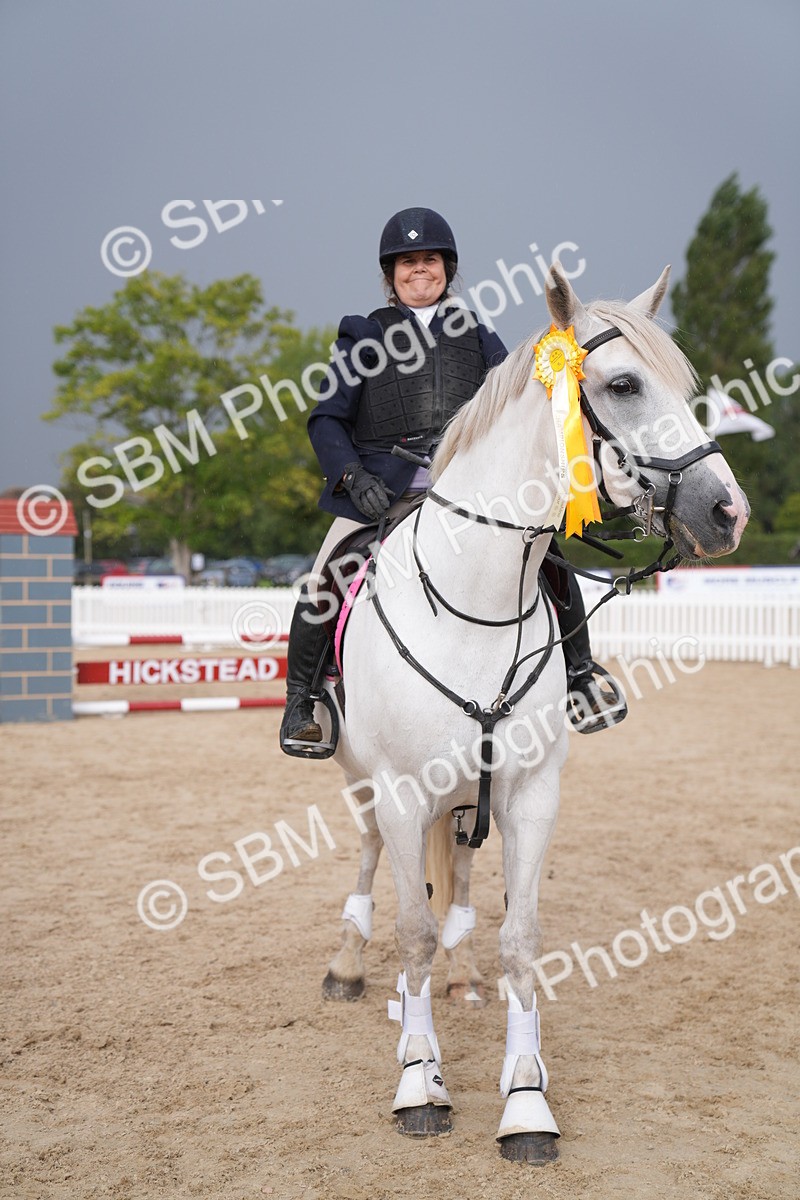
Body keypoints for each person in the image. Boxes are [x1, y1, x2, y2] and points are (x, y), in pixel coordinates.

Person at [279, 207, 626, 755]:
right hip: (383, 494)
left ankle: (580, 675)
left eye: (430, 260)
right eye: (408, 262)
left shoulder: (475, 333)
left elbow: (518, 398)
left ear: (448, 268)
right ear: (391, 274)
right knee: (326, 576)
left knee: (548, 558)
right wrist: (352, 475)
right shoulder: (362, 335)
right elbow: (326, 419)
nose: (420, 269)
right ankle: (303, 700)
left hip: (470, 494)